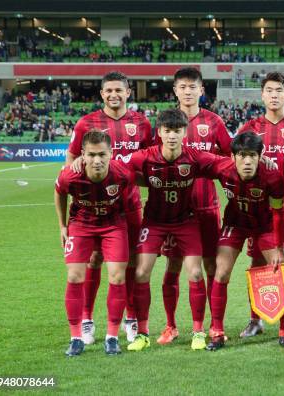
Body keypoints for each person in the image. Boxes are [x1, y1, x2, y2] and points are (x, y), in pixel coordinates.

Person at [66, 71, 153, 345]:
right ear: (102, 94)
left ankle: (130, 319)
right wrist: (76, 167)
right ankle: (88, 319)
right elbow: (71, 158)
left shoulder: (141, 123)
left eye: (119, 90)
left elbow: (152, 158)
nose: (114, 94)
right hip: (94, 207)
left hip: (130, 205)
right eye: (109, 91)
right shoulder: (86, 123)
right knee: (92, 261)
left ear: (129, 92)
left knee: (128, 264)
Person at [125, 108, 223, 352]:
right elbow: (118, 168)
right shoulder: (145, 157)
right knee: (141, 273)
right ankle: (143, 333)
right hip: (154, 221)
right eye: (167, 131)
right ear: (159, 132)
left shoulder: (195, 157)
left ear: (184, 133)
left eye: (177, 131)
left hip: (186, 221)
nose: (171, 136)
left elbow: (227, 165)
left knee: (195, 273)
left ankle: (198, 331)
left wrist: (256, 159)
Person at [156, 67, 232, 346]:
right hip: (173, 211)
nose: (188, 91)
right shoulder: (165, 123)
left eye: (193, 87)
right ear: (175, 91)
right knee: (174, 265)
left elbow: (229, 161)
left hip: (206, 207)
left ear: (202, 90)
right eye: (182, 87)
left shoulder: (214, 122)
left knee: (211, 265)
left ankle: (214, 325)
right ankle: (171, 325)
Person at [237, 72, 284, 344]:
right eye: (269, 90)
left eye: (279, 90)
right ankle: (255, 318)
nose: (274, 95)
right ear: (262, 95)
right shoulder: (250, 127)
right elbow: (235, 159)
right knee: (257, 262)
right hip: (259, 208)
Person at [55, 131, 135, 356]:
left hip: (113, 225)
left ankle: (111, 337)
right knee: (74, 276)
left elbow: (129, 200)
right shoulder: (70, 175)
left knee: (118, 276)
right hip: (81, 225)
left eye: (102, 154)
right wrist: (62, 226)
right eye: (91, 155)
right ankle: (76, 337)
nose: (97, 160)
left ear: (111, 154)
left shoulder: (122, 173)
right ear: (83, 155)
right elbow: (59, 192)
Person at [205, 132, 284, 350]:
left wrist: (279, 246)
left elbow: (279, 213)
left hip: (266, 226)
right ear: (232, 157)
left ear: (261, 156)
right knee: (221, 271)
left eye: (252, 155)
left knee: (278, 270)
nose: (247, 161)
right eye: (242, 155)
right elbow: (196, 161)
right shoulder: (222, 168)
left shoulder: (273, 177)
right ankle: (217, 331)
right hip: (236, 223)